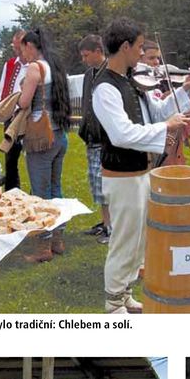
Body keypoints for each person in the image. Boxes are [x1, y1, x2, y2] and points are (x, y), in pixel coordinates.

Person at [91, 17, 190, 313]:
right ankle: (113, 304)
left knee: (138, 242)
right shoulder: (105, 88)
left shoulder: (131, 81)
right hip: (122, 175)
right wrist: (166, 127)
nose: (142, 53)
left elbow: (157, 112)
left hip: (141, 172)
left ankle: (124, 294)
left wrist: (185, 91)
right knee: (124, 242)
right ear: (124, 47)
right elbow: (122, 134)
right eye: (139, 47)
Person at [15, 27, 70, 263]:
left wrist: (15, 97)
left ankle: (43, 247)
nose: (22, 53)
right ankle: (58, 239)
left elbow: (24, 101)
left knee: (40, 194)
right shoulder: (54, 67)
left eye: (23, 48)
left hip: (40, 138)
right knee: (55, 190)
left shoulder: (34, 68)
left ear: (30, 46)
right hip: (59, 135)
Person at [78, 33, 111, 240]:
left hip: (107, 141)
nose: (84, 59)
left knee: (107, 187)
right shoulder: (88, 75)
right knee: (97, 186)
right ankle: (105, 223)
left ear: (99, 51)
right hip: (91, 138)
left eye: (86, 55)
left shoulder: (111, 73)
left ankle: (112, 227)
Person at [0, 28, 27, 190]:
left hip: (28, 118)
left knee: (33, 159)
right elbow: (2, 90)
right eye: (14, 47)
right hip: (11, 118)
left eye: (18, 47)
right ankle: (12, 192)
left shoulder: (36, 65)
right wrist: (3, 108)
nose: (16, 51)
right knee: (10, 159)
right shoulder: (9, 65)